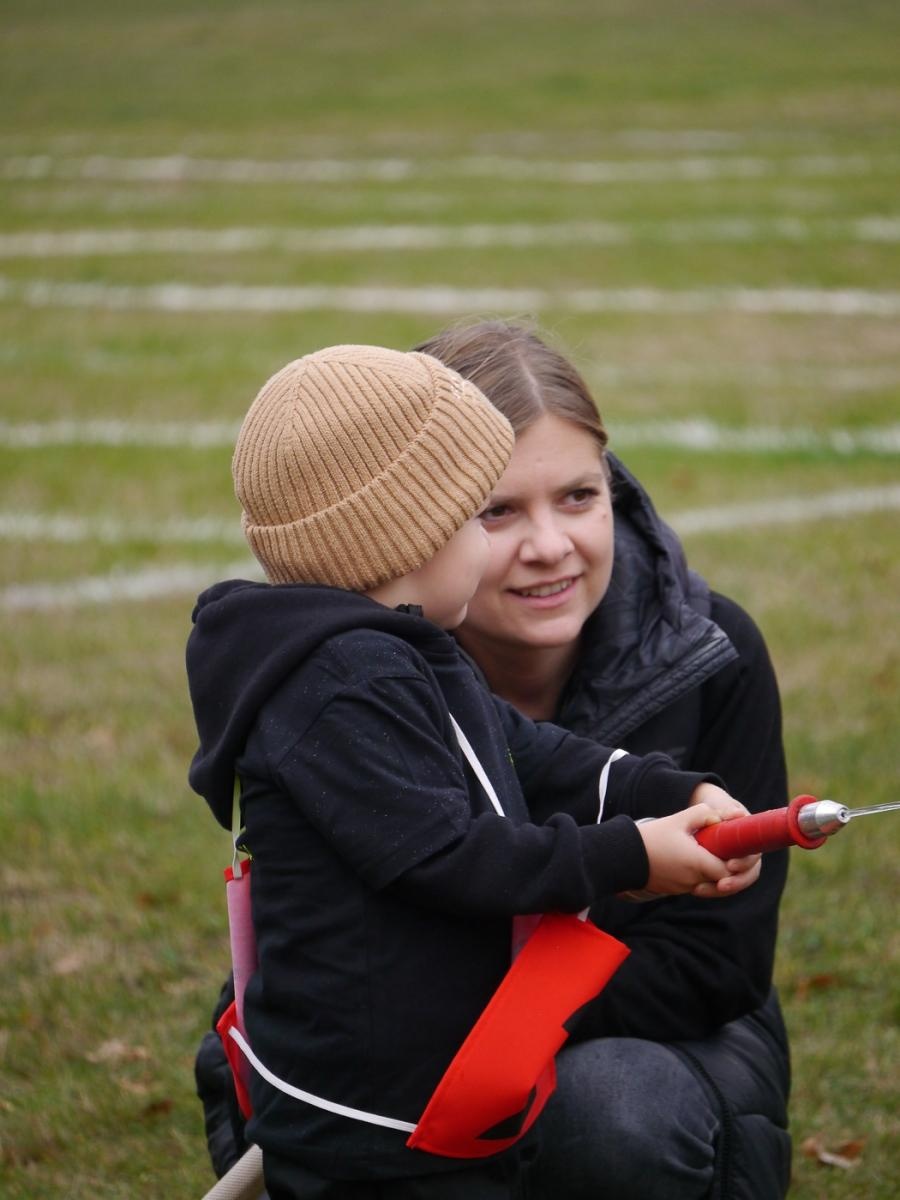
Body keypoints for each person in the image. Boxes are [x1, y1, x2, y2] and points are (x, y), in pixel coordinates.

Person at [186, 344, 760, 1199]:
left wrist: (660, 789)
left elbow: (530, 753)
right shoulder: (345, 684)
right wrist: (629, 855)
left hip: (437, 1095)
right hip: (377, 1123)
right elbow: (454, 857)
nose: (505, 552)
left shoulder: (401, 658)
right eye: (479, 520)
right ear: (406, 539)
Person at [413, 319, 792, 1200]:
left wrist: (493, 1037)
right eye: (497, 510)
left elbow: (713, 967)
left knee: (609, 1109)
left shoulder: (712, 650)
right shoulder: (361, 676)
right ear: (421, 520)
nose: (550, 545)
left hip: (653, 1044)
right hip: (410, 1037)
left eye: (580, 497)